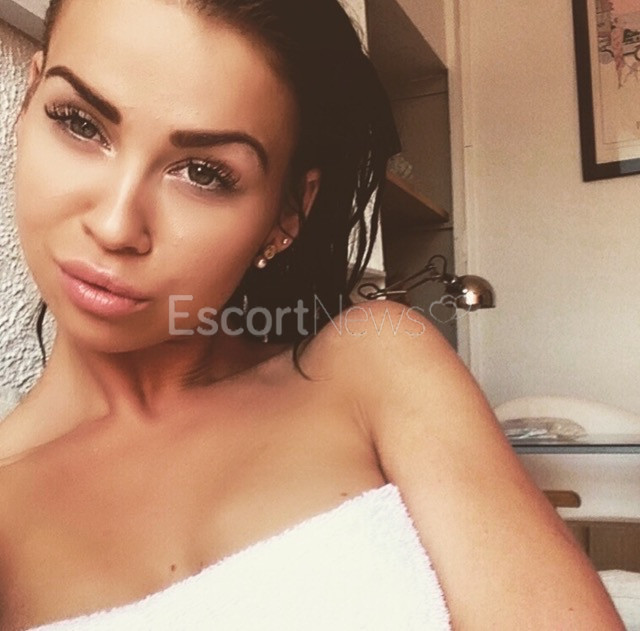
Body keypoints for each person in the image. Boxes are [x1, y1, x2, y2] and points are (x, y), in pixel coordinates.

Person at [0, 0, 625, 629]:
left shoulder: (375, 365)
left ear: (285, 214)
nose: (115, 226)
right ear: (28, 102)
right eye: (79, 124)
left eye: (204, 173)